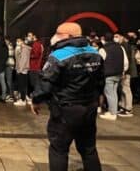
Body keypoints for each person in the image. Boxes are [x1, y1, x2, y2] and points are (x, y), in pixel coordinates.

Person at [30, 22, 103, 171]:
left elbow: (46, 82)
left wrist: (36, 100)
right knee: (89, 149)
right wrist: (99, 98)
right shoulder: (96, 53)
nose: (54, 36)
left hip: (65, 109)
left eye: (58, 33)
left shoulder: (58, 56)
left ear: (69, 36)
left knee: (59, 149)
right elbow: (100, 80)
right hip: (89, 107)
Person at [98, 33, 128, 121]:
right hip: (118, 73)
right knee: (113, 93)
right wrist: (123, 71)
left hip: (108, 74)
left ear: (105, 39)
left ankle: (112, 114)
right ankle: (113, 111)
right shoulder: (120, 47)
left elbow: (100, 62)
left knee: (109, 94)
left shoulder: (103, 49)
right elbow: (125, 61)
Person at [118, 32, 137, 117]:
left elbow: (126, 61)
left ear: (122, 37)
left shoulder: (125, 46)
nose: (116, 38)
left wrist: (125, 72)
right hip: (124, 71)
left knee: (126, 89)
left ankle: (128, 109)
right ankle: (123, 107)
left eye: (117, 36)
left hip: (126, 71)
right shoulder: (124, 45)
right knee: (123, 89)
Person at [14, 37, 32, 106]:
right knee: (23, 85)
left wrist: (19, 70)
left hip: (22, 70)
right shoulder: (22, 49)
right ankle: (24, 98)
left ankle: (22, 100)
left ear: (22, 41)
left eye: (19, 41)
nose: (17, 42)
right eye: (17, 41)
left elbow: (23, 60)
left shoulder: (24, 49)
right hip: (23, 69)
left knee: (22, 86)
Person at [28, 32, 44, 102]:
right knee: (35, 83)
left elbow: (36, 55)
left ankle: (36, 98)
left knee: (34, 83)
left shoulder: (36, 44)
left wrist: (28, 55)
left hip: (34, 66)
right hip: (35, 66)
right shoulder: (38, 44)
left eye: (29, 36)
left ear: (34, 36)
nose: (28, 37)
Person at [4, 36, 15, 102]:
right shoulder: (9, 46)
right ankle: (9, 94)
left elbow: (10, 54)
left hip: (9, 64)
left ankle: (11, 96)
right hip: (8, 64)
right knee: (8, 80)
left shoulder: (9, 46)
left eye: (5, 40)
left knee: (9, 80)